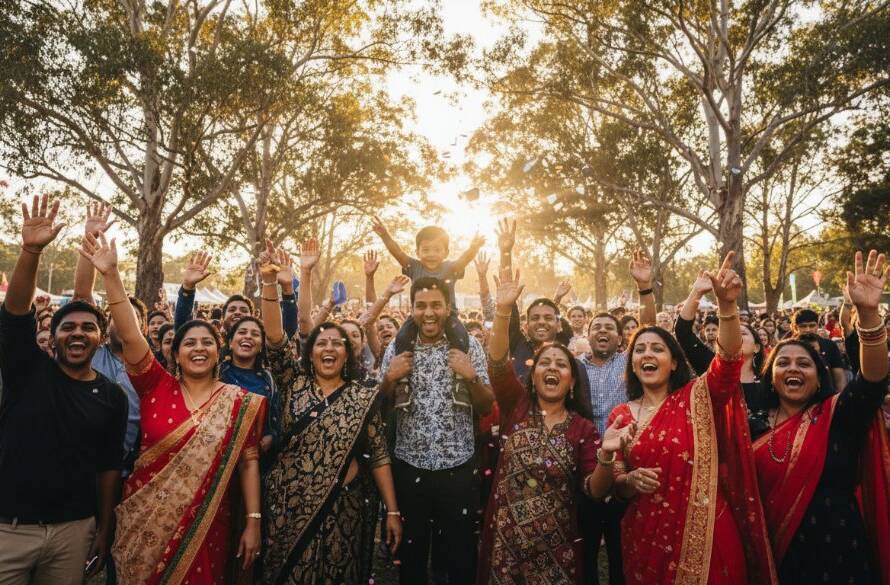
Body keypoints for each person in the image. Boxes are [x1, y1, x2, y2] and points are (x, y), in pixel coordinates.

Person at [78, 232, 265, 583]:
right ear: (174, 353)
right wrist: (110, 275)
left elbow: (249, 463)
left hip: (207, 525)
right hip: (142, 521)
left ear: (218, 349)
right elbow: (132, 334)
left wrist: (253, 521)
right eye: (189, 342)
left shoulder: (238, 401)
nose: (198, 348)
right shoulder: (155, 384)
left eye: (207, 342)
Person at [608, 252, 776, 585]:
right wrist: (629, 481)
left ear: (673, 362)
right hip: (646, 540)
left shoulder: (699, 397)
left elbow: (728, 360)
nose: (647, 354)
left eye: (657, 348)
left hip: (710, 535)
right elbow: (617, 480)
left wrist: (727, 309)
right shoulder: (621, 415)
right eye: (639, 350)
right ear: (632, 364)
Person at [0, 195, 128, 585]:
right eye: (67, 327)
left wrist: (103, 529)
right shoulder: (27, 369)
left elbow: (108, 469)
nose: (77, 332)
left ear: (100, 338)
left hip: (74, 532)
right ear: (51, 338)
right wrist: (30, 250)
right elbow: (16, 309)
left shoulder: (112, 396)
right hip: (9, 530)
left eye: (88, 327)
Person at [256, 246, 401, 585]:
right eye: (321, 343)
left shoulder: (362, 395)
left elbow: (378, 454)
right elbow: (276, 338)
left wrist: (392, 510)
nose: (329, 348)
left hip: (344, 507)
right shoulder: (293, 382)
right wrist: (268, 284)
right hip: (288, 503)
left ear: (348, 353)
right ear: (310, 353)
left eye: (338, 344)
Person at [476, 266, 627, 584]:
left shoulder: (582, 429)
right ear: (533, 376)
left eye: (561, 364)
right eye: (545, 362)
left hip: (558, 547)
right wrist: (503, 310)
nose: (552, 367)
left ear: (572, 382)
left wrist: (607, 457)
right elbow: (497, 361)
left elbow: (594, 490)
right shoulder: (515, 405)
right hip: (507, 542)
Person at [751, 250, 890, 585]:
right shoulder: (751, 424)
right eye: (783, 362)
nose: (793, 368)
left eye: (804, 363)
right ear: (771, 376)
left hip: (841, 553)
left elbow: (873, 380)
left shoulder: (838, 416)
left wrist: (869, 314)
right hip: (776, 555)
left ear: (819, 376)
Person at [379, 276, 494, 585]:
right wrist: (390, 379)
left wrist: (470, 377)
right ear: (411, 308)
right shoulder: (398, 348)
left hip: (458, 467)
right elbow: (379, 406)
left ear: (448, 308)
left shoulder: (467, 346)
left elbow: (486, 406)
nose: (428, 313)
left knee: (461, 555)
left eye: (435, 305)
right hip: (409, 466)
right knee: (412, 557)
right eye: (421, 306)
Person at [371, 217, 481, 355]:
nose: (431, 254)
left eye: (437, 250)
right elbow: (397, 252)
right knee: (402, 337)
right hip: (418, 316)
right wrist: (385, 235)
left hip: (449, 315)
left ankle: (459, 370)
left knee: (461, 337)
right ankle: (404, 367)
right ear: (417, 252)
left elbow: (465, 259)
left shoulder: (450, 268)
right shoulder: (414, 267)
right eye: (426, 250)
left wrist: (474, 247)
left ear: (446, 252)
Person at [790, 309, 847, 392]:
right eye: (803, 326)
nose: (808, 329)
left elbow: (839, 376)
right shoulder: (788, 347)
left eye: (812, 325)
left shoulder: (829, 345)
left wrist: (839, 400)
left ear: (817, 326)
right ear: (795, 327)